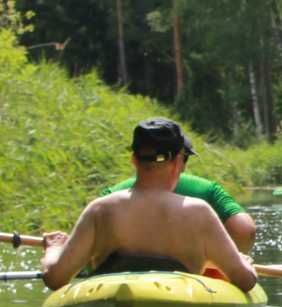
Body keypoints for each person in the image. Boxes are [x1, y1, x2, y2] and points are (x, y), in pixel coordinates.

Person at [41, 118, 257, 293]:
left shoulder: (100, 209)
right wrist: (242, 262)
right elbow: (245, 281)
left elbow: (55, 279)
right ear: (177, 163)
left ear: (134, 159)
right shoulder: (198, 212)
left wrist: (54, 250)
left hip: (110, 298)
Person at [105, 144, 257, 253]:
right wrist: (234, 260)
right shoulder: (207, 190)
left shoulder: (109, 195)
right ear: (180, 162)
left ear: (135, 160)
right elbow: (245, 230)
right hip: (194, 277)